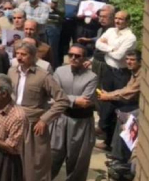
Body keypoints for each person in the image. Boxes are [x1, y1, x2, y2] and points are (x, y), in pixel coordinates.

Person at [8, 41, 70, 181]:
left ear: (33, 56)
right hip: (12, 122)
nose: (19, 57)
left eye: (23, 54)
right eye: (17, 54)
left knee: (34, 165)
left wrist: (44, 120)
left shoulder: (43, 76)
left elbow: (62, 100)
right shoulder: (11, 71)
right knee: (12, 162)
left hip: (33, 125)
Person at [50, 44, 97, 181]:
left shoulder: (92, 77)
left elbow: (86, 101)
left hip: (81, 123)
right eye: (71, 55)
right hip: (60, 119)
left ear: (85, 58)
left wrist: (63, 98)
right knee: (52, 156)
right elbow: (54, 95)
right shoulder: (59, 71)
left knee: (77, 161)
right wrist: (75, 101)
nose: (73, 58)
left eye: (78, 56)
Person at [95, 10, 137, 149]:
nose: (118, 21)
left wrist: (107, 47)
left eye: (122, 19)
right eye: (117, 18)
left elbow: (119, 56)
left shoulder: (130, 37)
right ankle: (103, 128)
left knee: (116, 103)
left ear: (128, 21)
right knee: (103, 99)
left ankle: (109, 141)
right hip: (108, 69)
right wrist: (113, 48)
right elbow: (97, 45)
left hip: (120, 73)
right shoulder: (111, 31)